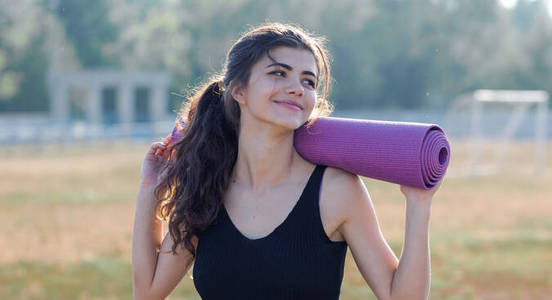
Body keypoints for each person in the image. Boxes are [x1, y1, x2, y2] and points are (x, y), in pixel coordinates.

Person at [132, 23, 439, 300]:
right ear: (239, 90)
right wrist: (150, 188)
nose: (297, 88)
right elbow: (147, 292)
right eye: (279, 73)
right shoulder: (205, 187)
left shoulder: (335, 190)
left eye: (308, 81)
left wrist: (418, 203)